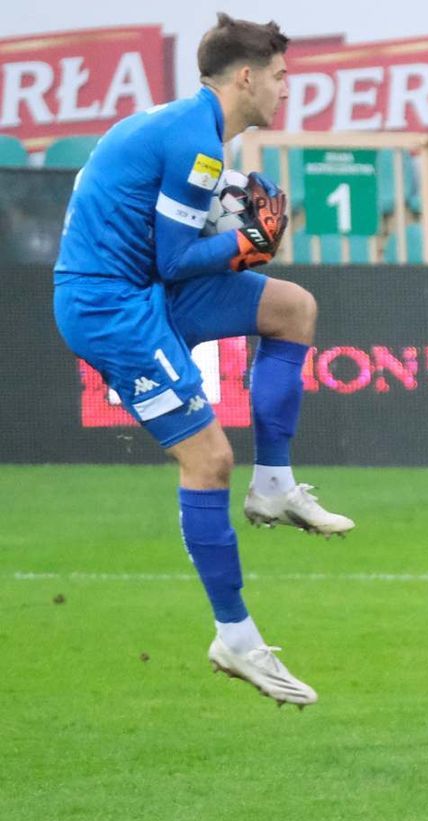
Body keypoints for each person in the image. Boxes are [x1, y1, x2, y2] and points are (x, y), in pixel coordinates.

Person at [53, 14, 355, 708]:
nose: (286, 87)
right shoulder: (196, 143)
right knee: (209, 459)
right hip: (111, 306)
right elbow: (173, 258)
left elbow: (171, 253)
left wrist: (242, 233)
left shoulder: (195, 133)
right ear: (246, 77)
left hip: (145, 289)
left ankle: (275, 483)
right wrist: (247, 238)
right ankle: (236, 636)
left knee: (292, 309)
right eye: (279, 75)